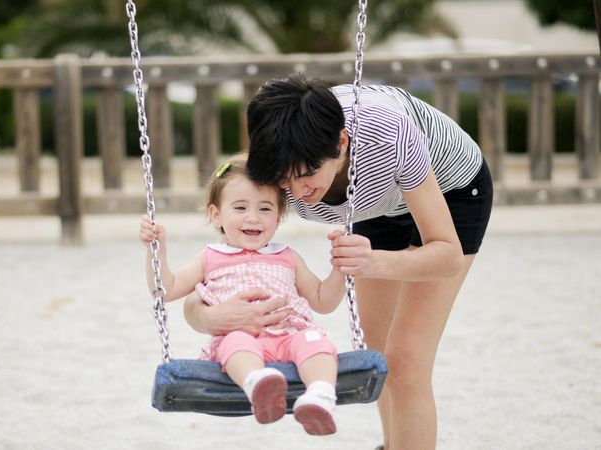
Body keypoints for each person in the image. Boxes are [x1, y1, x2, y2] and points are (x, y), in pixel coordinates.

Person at [184, 74, 493, 449]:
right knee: (378, 355)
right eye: (285, 180)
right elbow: (222, 264)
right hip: (373, 203)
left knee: (407, 362)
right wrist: (203, 315)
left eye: (308, 176)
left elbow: (446, 257)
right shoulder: (272, 169)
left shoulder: (388, 131)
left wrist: (374, 262)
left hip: (451, 191)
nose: (297, 192)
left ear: (341, 143)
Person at [139, 153, 347, 436]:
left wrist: (340, 267)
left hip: (291, 335)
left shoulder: (287, 256)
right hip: (241, 340)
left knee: (315, 341)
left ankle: (320, 396)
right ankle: (258, 384)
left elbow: (323, 300)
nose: (253, 218)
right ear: (216, 214)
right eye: (240, 207)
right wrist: (156, 251)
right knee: (235, 343)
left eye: (265, 208)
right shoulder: (210, 257)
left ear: (279, 215)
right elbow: (166, 288)